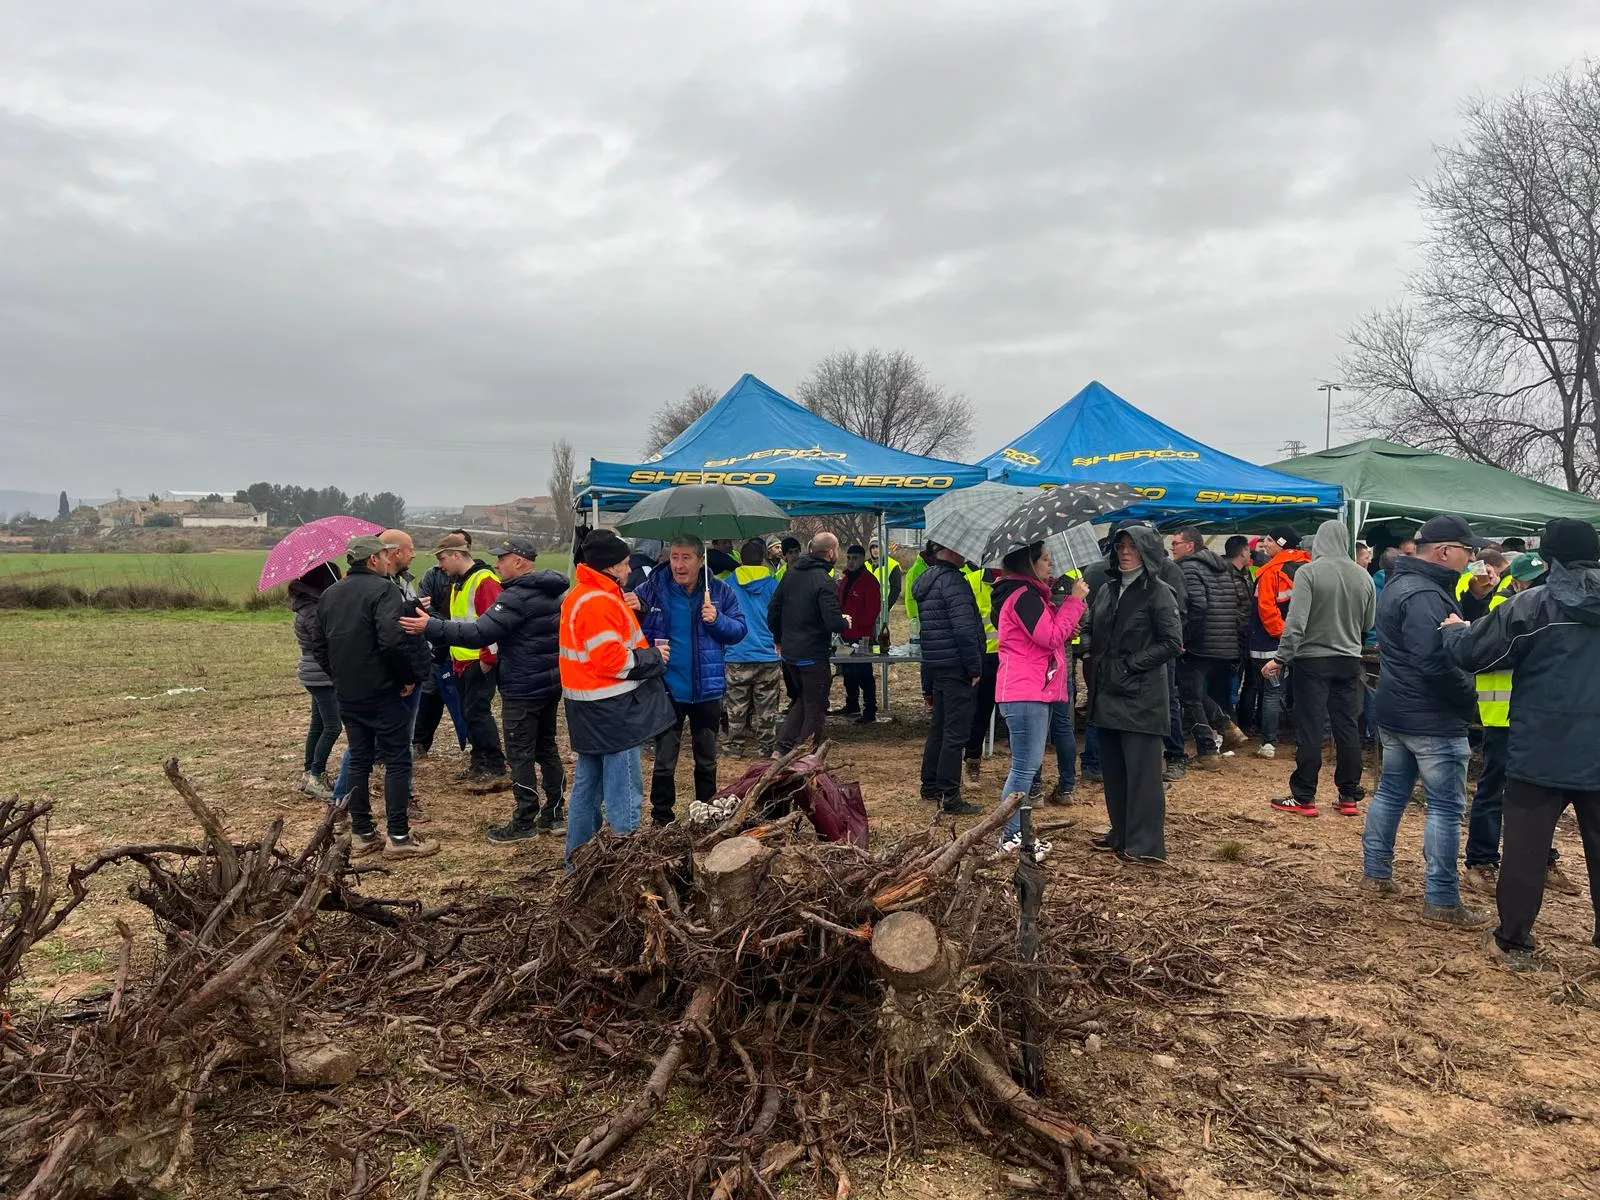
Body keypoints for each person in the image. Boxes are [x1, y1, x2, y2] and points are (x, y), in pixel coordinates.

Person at [1441, 519, 1600, 969]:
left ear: (1546, 557)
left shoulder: (1535, 605)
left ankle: (1513, 941)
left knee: (1527, 851)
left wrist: (1454, 628)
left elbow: (1476, 652)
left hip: (1540, 747)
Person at [1359, 515, 1488, 928]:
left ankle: (1376, 874)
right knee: (1446, 809)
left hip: (1397, 709)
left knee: (1391, 793)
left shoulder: (1404, 583)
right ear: (1445, 551)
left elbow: (1427, 644)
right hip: (1431, 715)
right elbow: (1434, 659)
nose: (1472, 561)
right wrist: (1469, 695)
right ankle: (1442, 899)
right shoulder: (1426, 594)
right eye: (1469, 553)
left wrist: (1471, 601)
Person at [401, 536, 569, 842]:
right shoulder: (550, 591)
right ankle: (555, 815)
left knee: (520, 753)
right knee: (547, 748)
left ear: (520, 561)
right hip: (548, 682)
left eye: (502, 558)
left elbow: (480, 632)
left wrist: (430, 627)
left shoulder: (516, 596)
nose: (496, 564)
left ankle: (525, 821)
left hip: (522, 687)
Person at [1456, 551, 1580, 898]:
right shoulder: (1505, 607)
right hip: (1503, 715)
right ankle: (1481, 861)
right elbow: (1478, 648)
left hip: (1539, 714)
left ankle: (1543, 859)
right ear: (1519, 580)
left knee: (1545, 794)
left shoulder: (1551, 606)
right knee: (1494, 790)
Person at [310, 536, 436, 858]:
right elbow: (392, 641)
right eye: (382, 555)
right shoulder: (384, 590)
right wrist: (405, 678)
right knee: (397, 760)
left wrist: (338, 676)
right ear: (373, 560)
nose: (386, 559)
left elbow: (318, 645)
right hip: (383, 691)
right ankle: (398, 836)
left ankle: (363, 832)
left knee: (360, 758)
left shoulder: (329, 594)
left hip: (348, 693)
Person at [561, 529, 676, 864]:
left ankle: (577, 864)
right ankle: (621, 866)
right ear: (610, 568)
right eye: (625, 564)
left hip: (587, 707)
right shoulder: (599, 601)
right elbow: (612, 660)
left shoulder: (580, 595)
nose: (629, 570)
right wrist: (655, 657)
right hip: (613, 710)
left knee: (587, 788)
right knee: (624, 791)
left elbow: (601, 648)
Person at [1082, 525, 1182, 864]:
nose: (1125, 552)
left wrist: (1130, 665)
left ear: (1147, 552)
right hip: (1106, 690)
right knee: (1114, 769)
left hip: (1140, 695)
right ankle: (1121, 831)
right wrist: (1085, 646)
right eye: (1121, 546)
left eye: (1133, 547)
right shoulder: (1108, 589)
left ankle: (1146, 844)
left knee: (1142, 774)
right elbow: (1091, 627)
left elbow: (1171, 643)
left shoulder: (1158, 592)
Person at [1264, 520, 1376, 818]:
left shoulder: (1309, 573)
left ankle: (1304, 795)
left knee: (1311, 727)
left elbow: (1296, 624)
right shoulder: (1362, 576)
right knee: (1347, 726)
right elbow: (1368, 624)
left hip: (1312, 660)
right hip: (1349, 660)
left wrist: (1280, 658)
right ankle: (1349, 794)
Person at [633, 535, 747, 824]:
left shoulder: (719, 591)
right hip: (668, 689)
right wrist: (650, 646)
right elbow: (631, 632)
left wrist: (717, 619)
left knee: (707, 759)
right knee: (664, 760)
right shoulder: (650, 591)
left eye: (686, 558)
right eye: (674, 557)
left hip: (707, 690)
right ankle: (662, 818)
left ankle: (705, 813)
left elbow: (739, 630)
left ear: (700, 560)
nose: (678, 565)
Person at [991, 543, 1090, 851]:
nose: (1051, 564)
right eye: (1045, 559)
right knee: (1024, 767)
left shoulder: (1030, 596)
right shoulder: (1024, 598)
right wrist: (1074, 601)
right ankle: (1010, 835)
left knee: (1027, 766)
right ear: (1029, 564)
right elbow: (1049, 637)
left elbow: (1049, 634)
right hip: (1025, 691)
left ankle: (1018, 833)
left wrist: (1069, 612)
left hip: (1034, 690)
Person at [912, 541, 986, 815]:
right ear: (951, 550)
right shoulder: (954, 583)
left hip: (938, 664)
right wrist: (975, 668)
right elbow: (965, 630)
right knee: (955, 733)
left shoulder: (928, 580)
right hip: (957, 667)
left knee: (939, 728)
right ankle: (949, 794)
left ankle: (930, 784)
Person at [432, 533, 507, 784]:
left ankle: (494, 765)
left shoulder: (484, 580)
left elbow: (494, 622)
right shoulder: (458, 582)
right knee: (468, 713)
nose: (440, 565)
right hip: (462, 660)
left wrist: (489, 657)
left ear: (456, 554)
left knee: (478, 713)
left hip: (478, 660)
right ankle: (478, 762)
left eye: (442, 558)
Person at [1171, 528, 1247, 771]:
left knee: (1190, 694)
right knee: (1199, 692)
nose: (1172, 548)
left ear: (1190, 546)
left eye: (1176, 543)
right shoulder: (1221, 568)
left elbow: (1198, 606)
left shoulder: (1188, 568)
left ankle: (1208, 749)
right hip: (1225, 642)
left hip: (1202, 643)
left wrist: (1185, 636)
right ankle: (1227, 727)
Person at [770, 532, 851, 753]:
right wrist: (844, 622)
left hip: (790, 654)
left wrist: (779, 639)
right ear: (831, 552)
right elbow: (832, 621)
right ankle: (803, 754)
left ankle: (782, 747)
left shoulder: (791, 574)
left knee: (803, 700)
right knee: (816, 706)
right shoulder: (824, 580)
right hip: (813, 654)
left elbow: (773, 610)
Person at [1246, 528, 1311, 759]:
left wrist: (1284, 637)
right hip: (1306, 643)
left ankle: (1269, 743)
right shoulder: (1309, 568)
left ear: (1282, 544)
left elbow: (1266, 609)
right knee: (1304, 692)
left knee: (1272, 692)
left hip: (1271, 643)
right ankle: (1305, 742)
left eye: (1270, 541)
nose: (1265, 545)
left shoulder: (1270, 572)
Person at [723, 538, 783, 759]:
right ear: (762, 560)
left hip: (736, 652)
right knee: (767, 706)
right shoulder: (773, 585)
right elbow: (779, 617)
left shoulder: (728, 584)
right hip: (767, 654)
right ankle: (766, 747)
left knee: (736, 705)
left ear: (740, 559)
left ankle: (734, 746)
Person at [410, 530, 466, 758]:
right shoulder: (432, 576)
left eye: (443, 557)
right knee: (430, 696)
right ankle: (420, 742)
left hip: (465, 649)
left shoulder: (475, 578)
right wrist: (444, 626)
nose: (440, 564)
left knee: (465, 701)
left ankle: (472, 743)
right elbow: (424, 609)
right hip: (437, 647)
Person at [289, 562, 342, 800]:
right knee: (333, 726)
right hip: (321, 675)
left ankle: (309, 772)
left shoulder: (310, 606)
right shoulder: (313, 611)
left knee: (318, 724)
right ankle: (316, 776)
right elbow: (325, 641)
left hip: (314, 672)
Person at [961, 561, 1001, 783]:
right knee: (980, 712)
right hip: (984, 657)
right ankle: (972, 759)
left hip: (1013, 657)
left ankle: (1024, 774)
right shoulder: (973, 580)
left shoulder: (1017, 582)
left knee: (1015, 717)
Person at [834, 544, 882, 723]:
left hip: (861, 635)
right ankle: (852, 703)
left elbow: (873, 609)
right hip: (845, 633)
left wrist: (860, 627)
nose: (851, 561)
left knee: (863, 673)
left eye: (855, 558)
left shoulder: (869, 581)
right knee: (848, 671)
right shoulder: (845, 580)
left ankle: (870, 708)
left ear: (862, 559)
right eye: (849, 558)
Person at [867, 538, 904, 609]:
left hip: (882, 606)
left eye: (877, 547)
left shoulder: (892, 565)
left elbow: (896, 589)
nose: (875, 550)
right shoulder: (865, 565)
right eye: (872, 547)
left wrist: (886, 607)